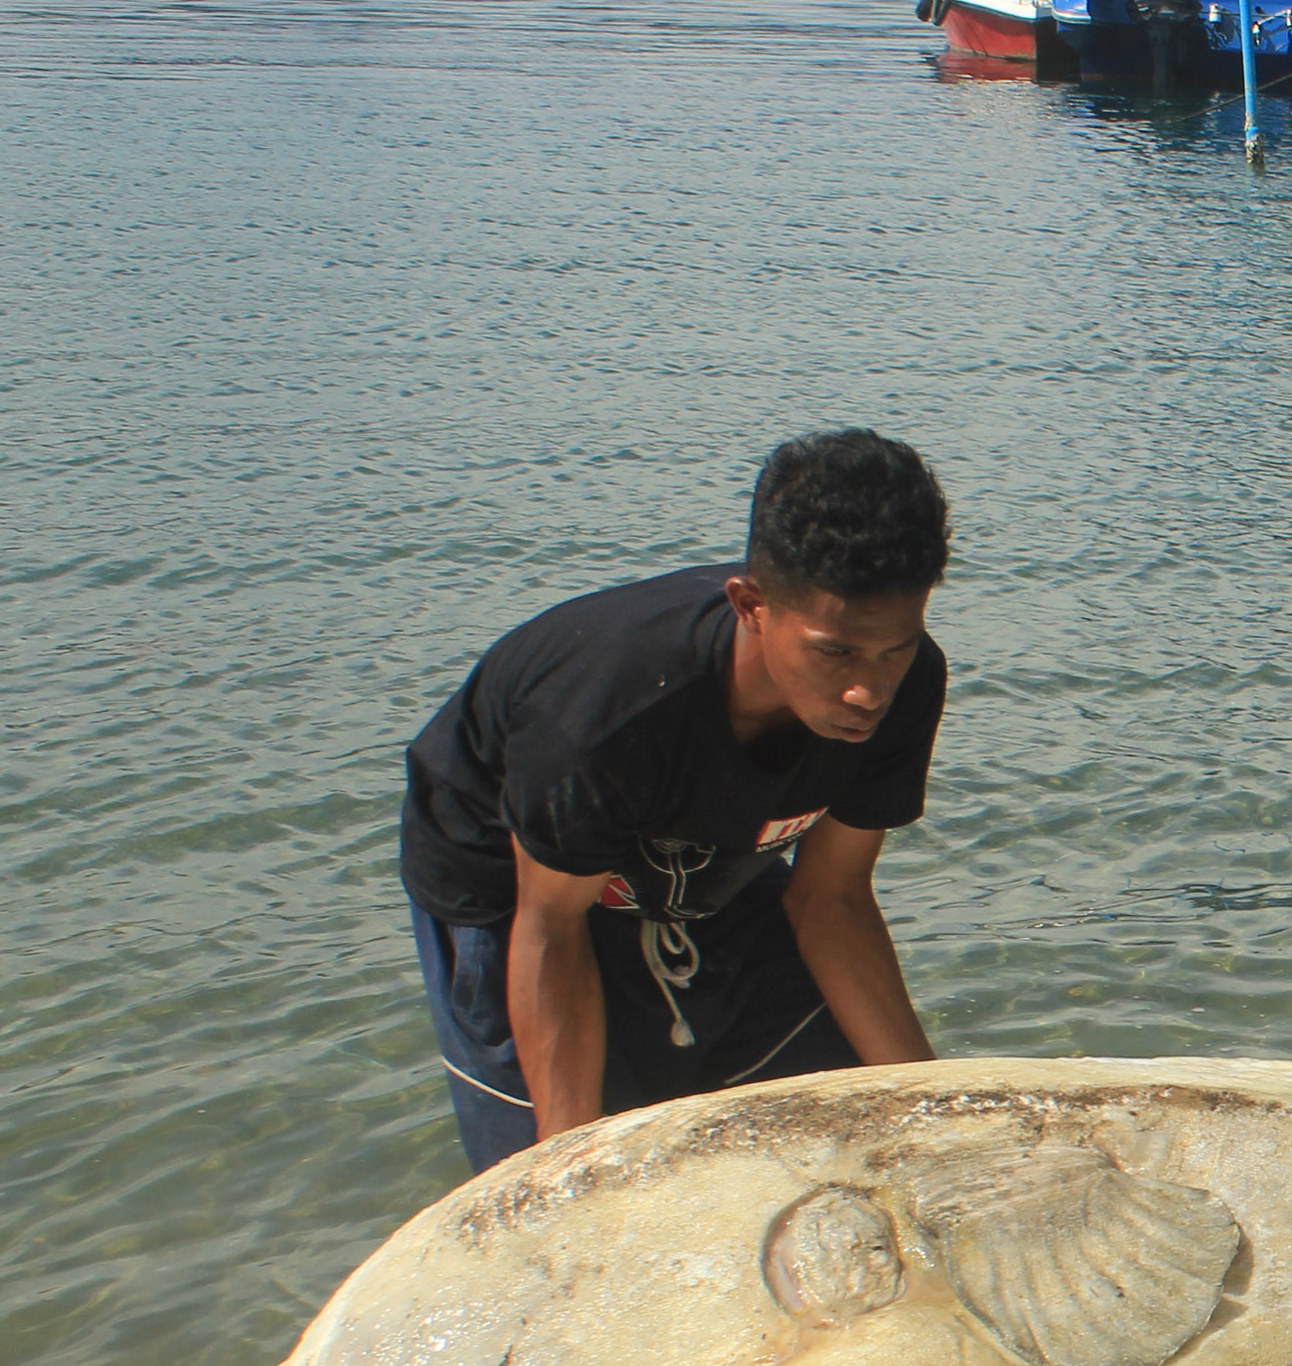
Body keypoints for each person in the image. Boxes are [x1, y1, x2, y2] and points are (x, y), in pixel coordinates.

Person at [398, 430, 953, 1171]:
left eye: (895, 647)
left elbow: (832, 899)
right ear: (750, 605)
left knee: (862, 1137)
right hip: (518, 889)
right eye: (834, 651)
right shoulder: (603, 716)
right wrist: (572, 1168)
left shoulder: (904, 688)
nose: (868, 690)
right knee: (571, 1173)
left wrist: (936, 1111)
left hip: (705, 858)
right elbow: (551, 929)